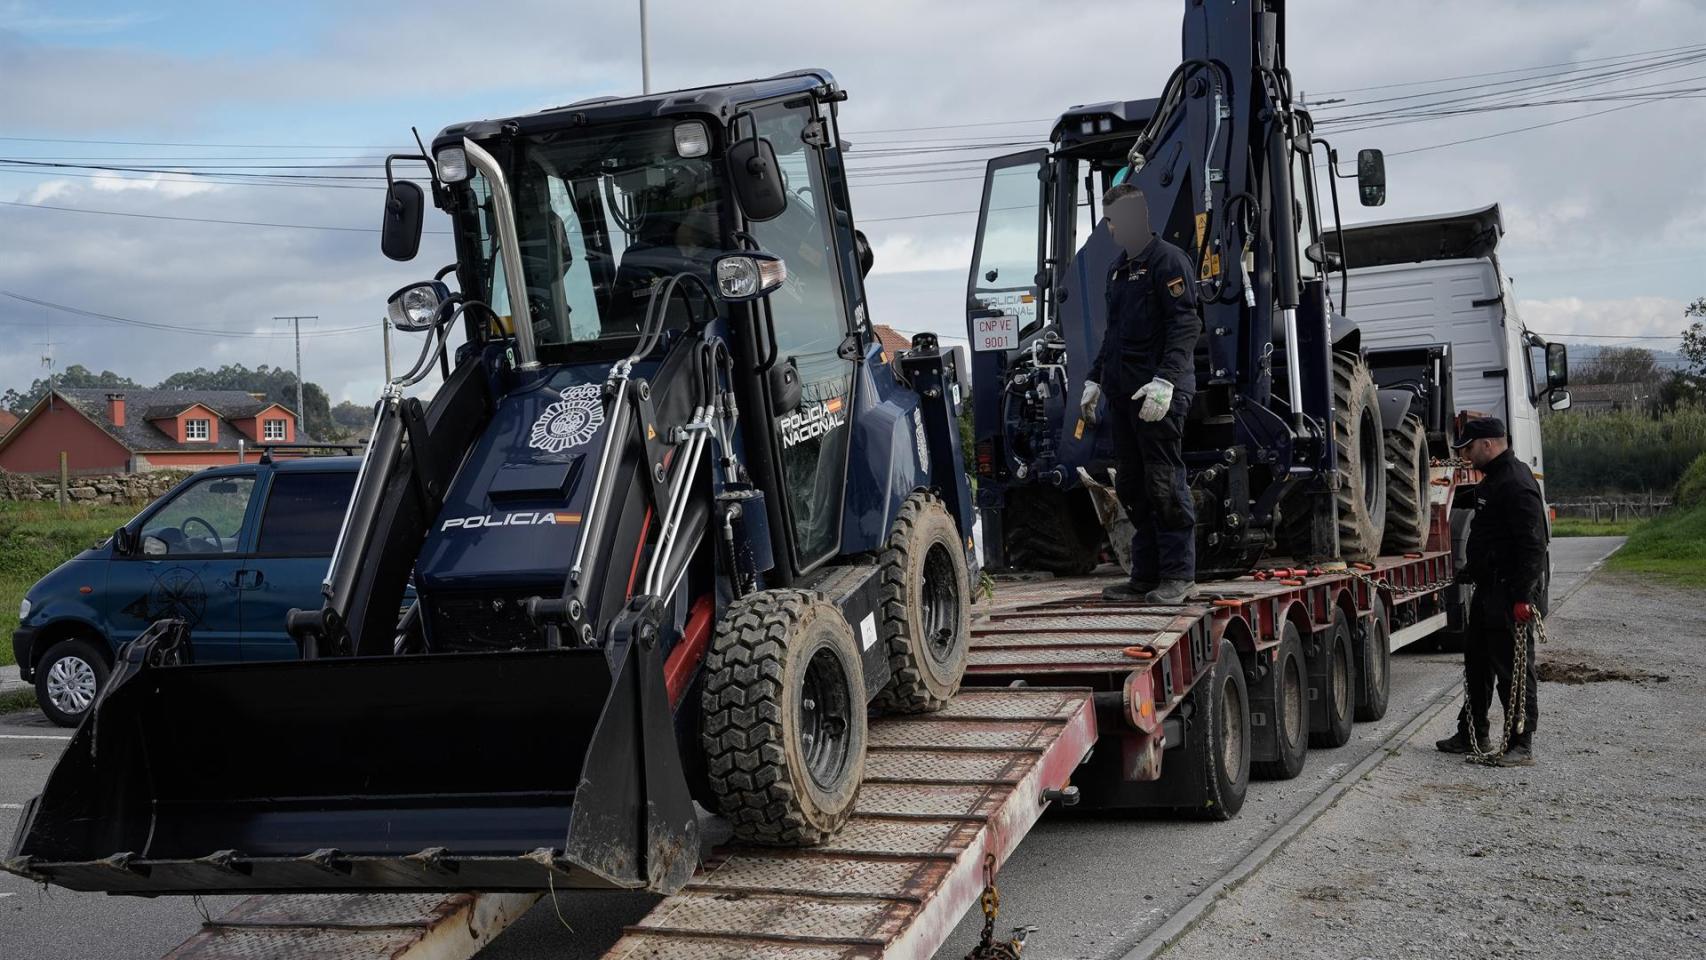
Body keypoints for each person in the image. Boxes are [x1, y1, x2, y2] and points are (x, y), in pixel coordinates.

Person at [1080, 183, 1203, 604]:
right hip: (1124, 395)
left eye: (1114, 220)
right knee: (1132, 486)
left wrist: (1166, 381)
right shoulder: (1118, 270)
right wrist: (1095, 379)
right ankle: (1146, 575)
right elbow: (1113, 336)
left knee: (1163, 483)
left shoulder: (1169, 261)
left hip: (1159, 394)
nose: (1111, 229)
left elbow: (1186, 325)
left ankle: (1177, 576)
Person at [1436, 416, 1549, 765]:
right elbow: (1491, 537)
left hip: (1508, 594)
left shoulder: (1515, 483)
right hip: (1488, 590)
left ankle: (1520, 744)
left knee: (1511, 670)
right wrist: (1472, 570)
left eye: (1469, 448)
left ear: (1488, 443)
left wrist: (1522, 598)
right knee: (1477, 665)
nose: (1466, 456)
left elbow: (1533, 546)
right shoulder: (1494, 480)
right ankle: (1473, 731)